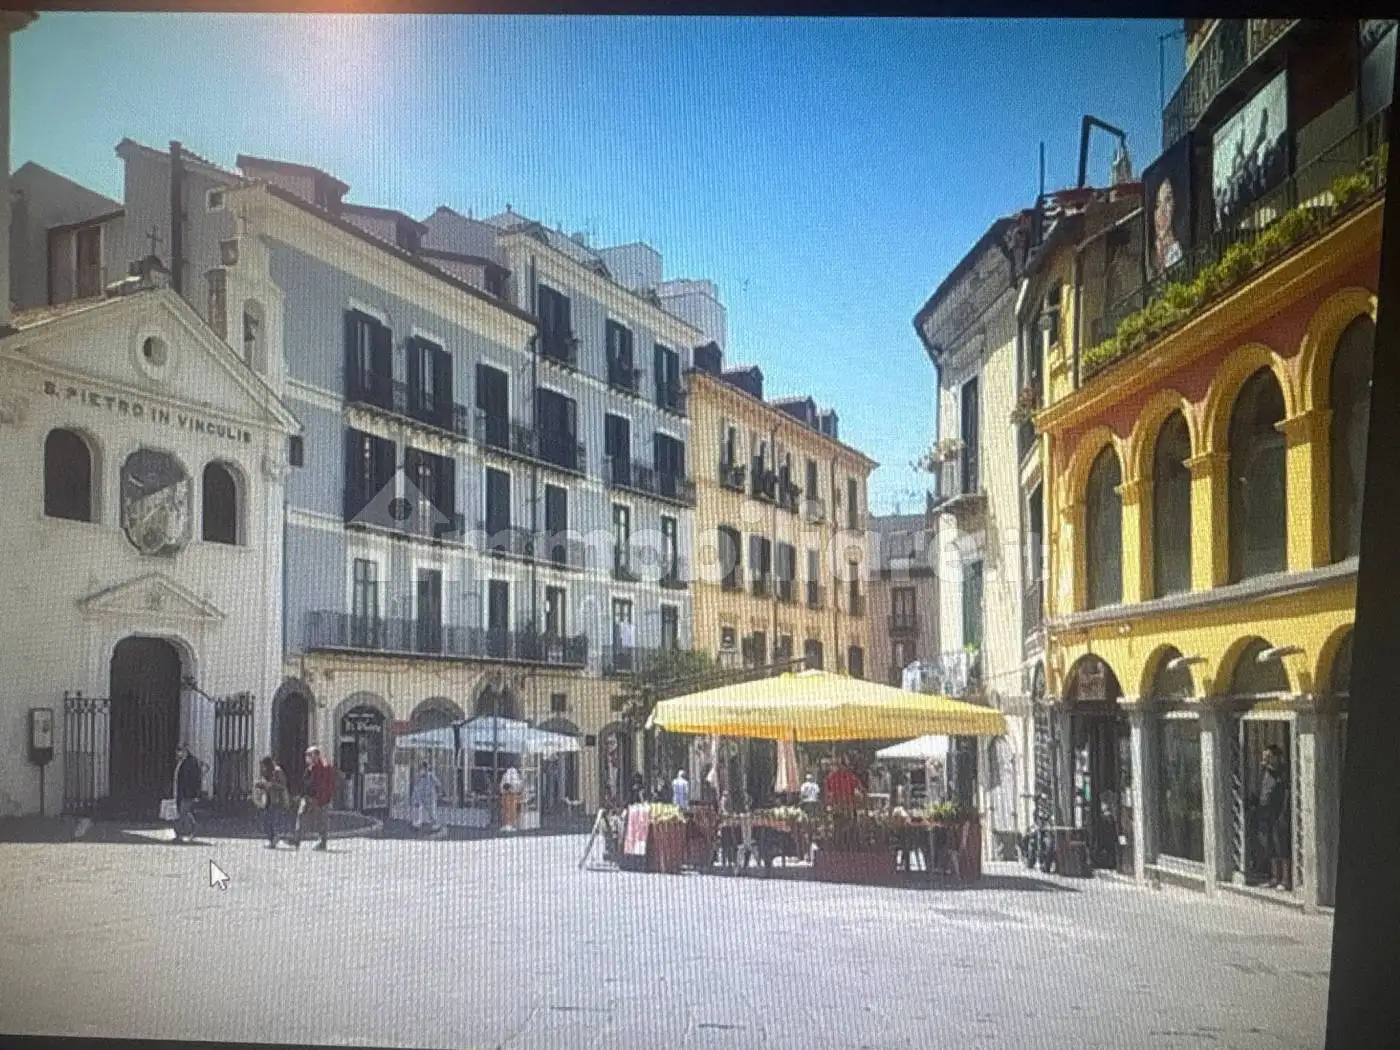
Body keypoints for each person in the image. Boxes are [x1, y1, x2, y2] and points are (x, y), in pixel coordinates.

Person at [1258, 745, 1291, 890]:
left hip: (1279, 814)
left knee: (1281, 846)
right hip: (1267, 814)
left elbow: (1284, 791)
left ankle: (1285, 879)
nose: (1266, 760)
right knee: (1270, 846)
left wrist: (1283, 813)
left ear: (1276, 757)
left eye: (1269, 757)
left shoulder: (1281, 773)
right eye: (1265, 757)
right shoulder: (1266, 772)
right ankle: (1274, 877)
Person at [292, 746, 336, 851]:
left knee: (322, 820)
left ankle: (322, 842)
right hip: (309, 797)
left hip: (321, 798)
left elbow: (327, 783)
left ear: (316, 755)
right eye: (307, 755)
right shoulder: (311, 768)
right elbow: (305, 782)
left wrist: (326, 797)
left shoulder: (324, 767)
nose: (307, 758)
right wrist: (301, 794)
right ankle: (296, 839)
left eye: (309, 755)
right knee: (301, 815)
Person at [253, 756, 290, 848]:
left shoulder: (278, 771)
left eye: (264, 765)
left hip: (276, 799)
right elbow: (263, 782)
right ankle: (272, 838)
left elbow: (283, 786)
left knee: (271, 820)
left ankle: (274, 839)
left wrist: (271, 785)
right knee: (265, 821)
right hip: (267, 799)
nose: (263, 768)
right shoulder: (266, 772)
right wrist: (260, 784)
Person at [172, 744, 203, 843]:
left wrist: (195, 792)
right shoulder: (181, 762)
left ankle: (180, 833)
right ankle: (193, 828)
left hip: (187, 792)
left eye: (181, 750)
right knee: (184, 813)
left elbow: (195, 778)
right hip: (181, 792)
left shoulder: (191, 762)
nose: (179, 753)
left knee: (182, 813)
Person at [1153, 178, 1184, 273]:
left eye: (1167, 200)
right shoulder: (1151, 253)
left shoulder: (1177, 253)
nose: (1162, 210)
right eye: (1158, 203)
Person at [412, 761, 443, 834]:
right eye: (421, 768)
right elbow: (417, 786)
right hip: (423, 797)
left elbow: (438, 783)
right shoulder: (421, 777)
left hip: (431, 797)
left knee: (432, 812)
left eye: (423, 768)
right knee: (421, 809)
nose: (422, 770)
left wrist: (438, 791)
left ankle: (436, 824)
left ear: (426, 768)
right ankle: (419, 823)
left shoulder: (431, 775)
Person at [500, 765, 523, 830]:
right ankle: (508, 824)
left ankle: (511, 825)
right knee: (508, 810)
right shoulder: (511, 776)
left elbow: (518, 787)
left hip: (511, 795)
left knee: (510, 810)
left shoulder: (508, 776)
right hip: (510, 795)